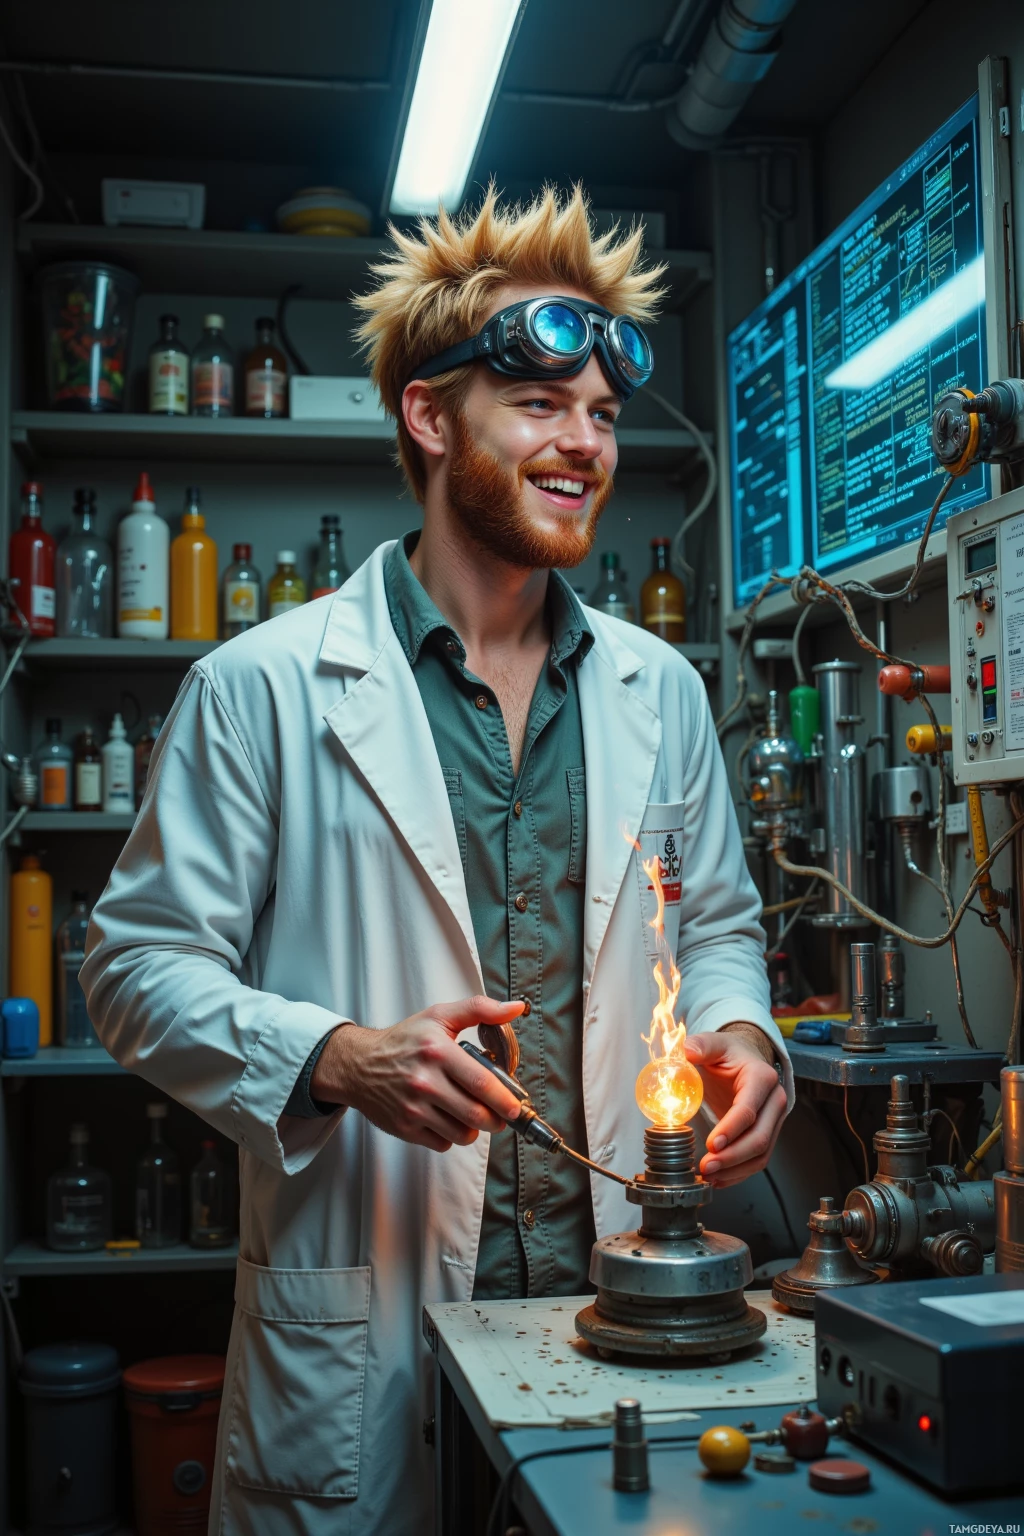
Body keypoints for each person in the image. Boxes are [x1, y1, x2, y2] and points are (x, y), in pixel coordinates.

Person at [82, 185, 792, 1536]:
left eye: (600, 412)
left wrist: (742, 1030)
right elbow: (130, 967)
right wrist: (334, 1057)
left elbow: (714, 926)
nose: (584, 443)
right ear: (427, 416)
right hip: (369, 1337)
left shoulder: (661, 688)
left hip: (621, 1320)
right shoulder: (265, 689)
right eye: (538, 406)